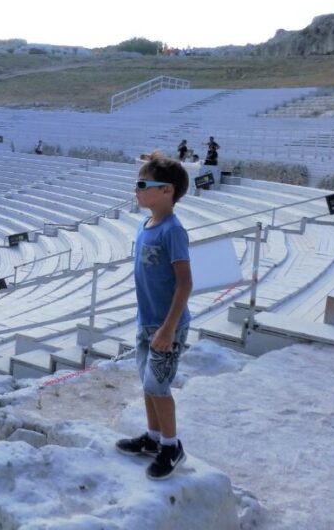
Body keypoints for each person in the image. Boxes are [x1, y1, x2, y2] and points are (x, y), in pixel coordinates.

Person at [116, 155, 192, 480]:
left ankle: (172, 446)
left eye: (143, 184)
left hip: (165, 325)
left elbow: (185, 283)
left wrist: (169, 328)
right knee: (147, 384)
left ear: (167, 191)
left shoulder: (172, 231)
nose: (136, 189)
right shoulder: (144, 225)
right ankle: (153, 437)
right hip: (146, 321)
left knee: (159, 387)